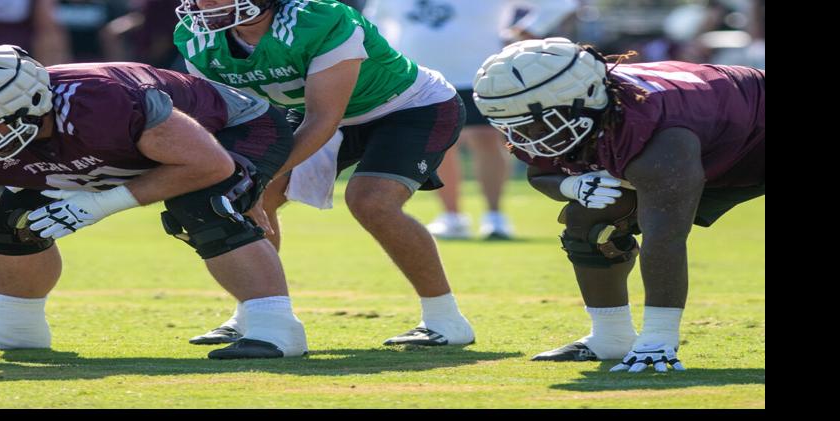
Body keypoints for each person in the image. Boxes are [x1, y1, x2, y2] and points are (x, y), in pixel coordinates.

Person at [0, 42, 309, 358]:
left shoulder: (99, 102)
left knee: (203, 207)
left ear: (33, 102)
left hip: (230, 132)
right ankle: (17, 326)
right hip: (120, 153)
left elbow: (209, 165)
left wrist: (97, 205)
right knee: (7, 220)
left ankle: (274, 326)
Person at [174, 0, 475, 348]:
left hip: (407, 107)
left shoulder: (320, 20)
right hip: (307, 113)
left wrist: (258, 176)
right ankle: (258, 315)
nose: (204, 2)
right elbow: (225, 116)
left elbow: (323, 119)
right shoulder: (196, 38)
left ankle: (445, 319)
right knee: (248, 197)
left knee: (371, 201)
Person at [472, 37, 763, 372]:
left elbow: (665, 236)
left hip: (750, 133)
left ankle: (656, 337)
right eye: (514, 123)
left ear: (586, 100)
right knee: (589, 216)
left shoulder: (655, 128)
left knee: (659, 224)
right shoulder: (573, 109)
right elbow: (541, 173)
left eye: (535, 121)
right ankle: (611, 336)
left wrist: (659, 336)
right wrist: (572, 184)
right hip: (710, 140)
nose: (525, 135)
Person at [367, 0, 577, 241]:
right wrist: (389, 57)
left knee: (486, 140)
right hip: (419, 79)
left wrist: (527, 32)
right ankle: (452, 217)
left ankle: (495, 218)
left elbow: (560, 4)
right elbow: (375, 23)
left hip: (482, 75)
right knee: (437, 146)